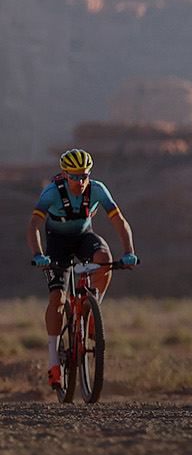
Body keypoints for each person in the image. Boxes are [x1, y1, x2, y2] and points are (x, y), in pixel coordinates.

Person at [28, 149, 137, 389]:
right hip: (56, 244)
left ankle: (91, 309)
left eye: (84, 176)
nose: (80, 182)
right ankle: (55, 363)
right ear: (65, 174)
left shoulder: (98, 189)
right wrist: (38, 254)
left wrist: (129, 251)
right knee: (57, 298)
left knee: (104, 258)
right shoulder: (51, 193)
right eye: (74, 177)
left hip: (83, 237)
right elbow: (34, 225)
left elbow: (119, 221)